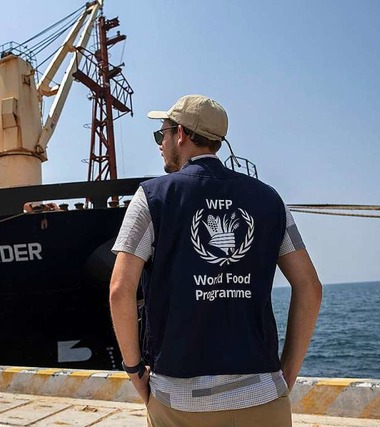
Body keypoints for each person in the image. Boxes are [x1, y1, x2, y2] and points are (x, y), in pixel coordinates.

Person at [109, 94, 322, 426]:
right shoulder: (270, 200)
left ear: (180, 134)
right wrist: (285, 376)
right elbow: (310, 287)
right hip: (263, 397)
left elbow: (120, 290)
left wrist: (135, 370)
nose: (160, 144)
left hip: (179, 402)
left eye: (161, 134)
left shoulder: (151, 197)